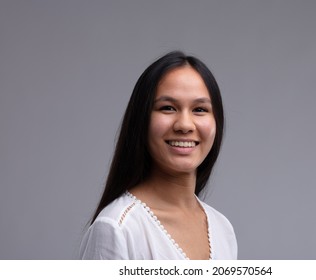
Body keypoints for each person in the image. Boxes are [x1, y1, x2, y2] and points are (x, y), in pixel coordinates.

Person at [79, 51, 237, 260]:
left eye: (199, 109)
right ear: (141, 120)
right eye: (168, 108)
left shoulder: (222, 229)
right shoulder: (118, 228)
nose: (185, 125)